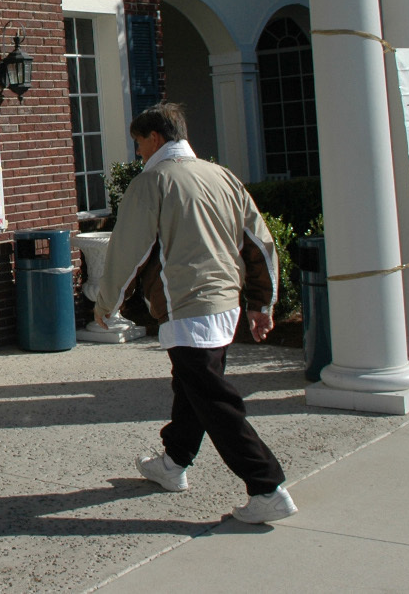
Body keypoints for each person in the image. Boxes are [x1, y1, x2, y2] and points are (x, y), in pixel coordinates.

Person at [95, 102, 298, 524]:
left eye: (138, 144)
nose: (138, 154)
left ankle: (267, 487)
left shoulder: (153, 182)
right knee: (193, 388)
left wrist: (107, 304)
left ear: (155, 138)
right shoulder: (222, 176)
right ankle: (173, 463)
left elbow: (128, 251)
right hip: (224, 305)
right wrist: (261, 303)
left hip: (187, 307)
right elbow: (260, 244)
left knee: (214, 401)